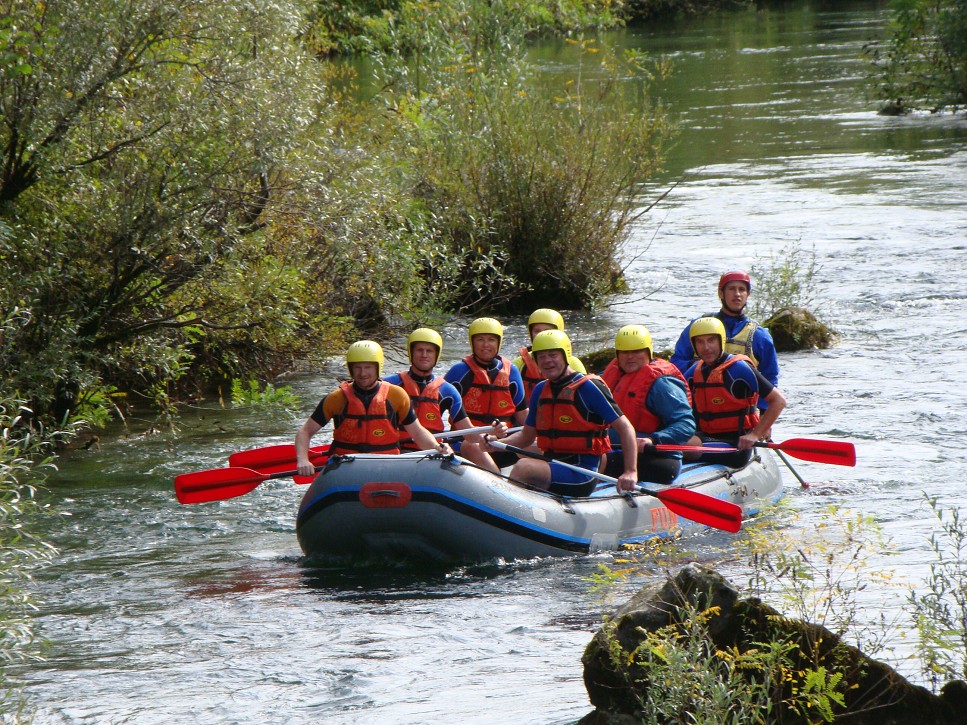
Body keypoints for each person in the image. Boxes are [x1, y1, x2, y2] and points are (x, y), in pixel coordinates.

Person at [486, 330, 639, 496]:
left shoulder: (589, 387)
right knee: (524, 458)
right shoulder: (540, 390)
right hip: (552, 462)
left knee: (525, 467)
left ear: (565, 356)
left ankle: (509, 511)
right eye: (541, 356)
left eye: (553, 355)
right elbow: (526, 437)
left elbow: (625, 428)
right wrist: (497, 445)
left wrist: (630, 471)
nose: (547, 361)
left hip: (581, 472)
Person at [295, 340, 451, 477]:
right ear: (351, 368)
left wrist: (437, 447)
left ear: (377, 368)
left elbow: (417, 432)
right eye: (358, 368)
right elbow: (305, 432)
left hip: (386, 466)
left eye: (368, 367)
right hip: (345, 469)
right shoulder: (336, 399)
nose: (363, 373)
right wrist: (303, 459)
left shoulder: (396, 395)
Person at [383, 327, 497, 471]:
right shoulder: (391, 385)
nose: (424, 355)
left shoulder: (447, 391)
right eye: (419, 350)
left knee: (472, 448)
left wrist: (485, 437)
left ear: (436, 355)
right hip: (397, 452)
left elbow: (467, 431)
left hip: (433, 452)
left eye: (429, 351)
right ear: (411, 352)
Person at [683, 317, 787, 468]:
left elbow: (779, 401)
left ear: (721, 341)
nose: (706, 347)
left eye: (711, 340)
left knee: (688, 446)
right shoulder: (694, 372)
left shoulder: (739, 368)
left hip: (737, 444)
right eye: (700, 342)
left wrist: (755, 434)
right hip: (706, 438)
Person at [600, 325, 696, 485]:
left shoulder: (662, 385)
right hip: (617, 449)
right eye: (624, 352)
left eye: (637, 351)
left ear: (648, 352)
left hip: (657, 458)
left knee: (596, 460)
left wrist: (653, 439)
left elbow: (686, 424)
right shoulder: (610, 375)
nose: (630, 357)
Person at [670, 270, 780, 408]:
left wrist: (763, 415)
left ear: (748, 295)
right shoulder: (698, 327)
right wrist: (699, 366)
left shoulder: (759, 335)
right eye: (732, 289)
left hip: (742, 412)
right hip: (702, 409)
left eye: (742, 290)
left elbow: (771, 377)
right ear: (721, 293)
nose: (737, 294)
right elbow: (675, 364)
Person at [444, 317, 529, 468]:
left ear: (498, 343)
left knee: (536, 444)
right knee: (473, 445)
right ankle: (500, 487)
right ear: (472, 342)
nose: (485, 345)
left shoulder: (511, 372)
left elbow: (523, 416)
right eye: (480, 339)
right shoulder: (459, 372)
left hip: (501, 443)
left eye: (491, 340)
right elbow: (436, 409)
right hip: (465, 444)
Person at [513, 308, 587, 400]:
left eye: (547, 330)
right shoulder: (519, 364)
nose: (542, 334)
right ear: (530, 333)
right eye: (537, 331)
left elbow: (584, 393)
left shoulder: (574, 363)